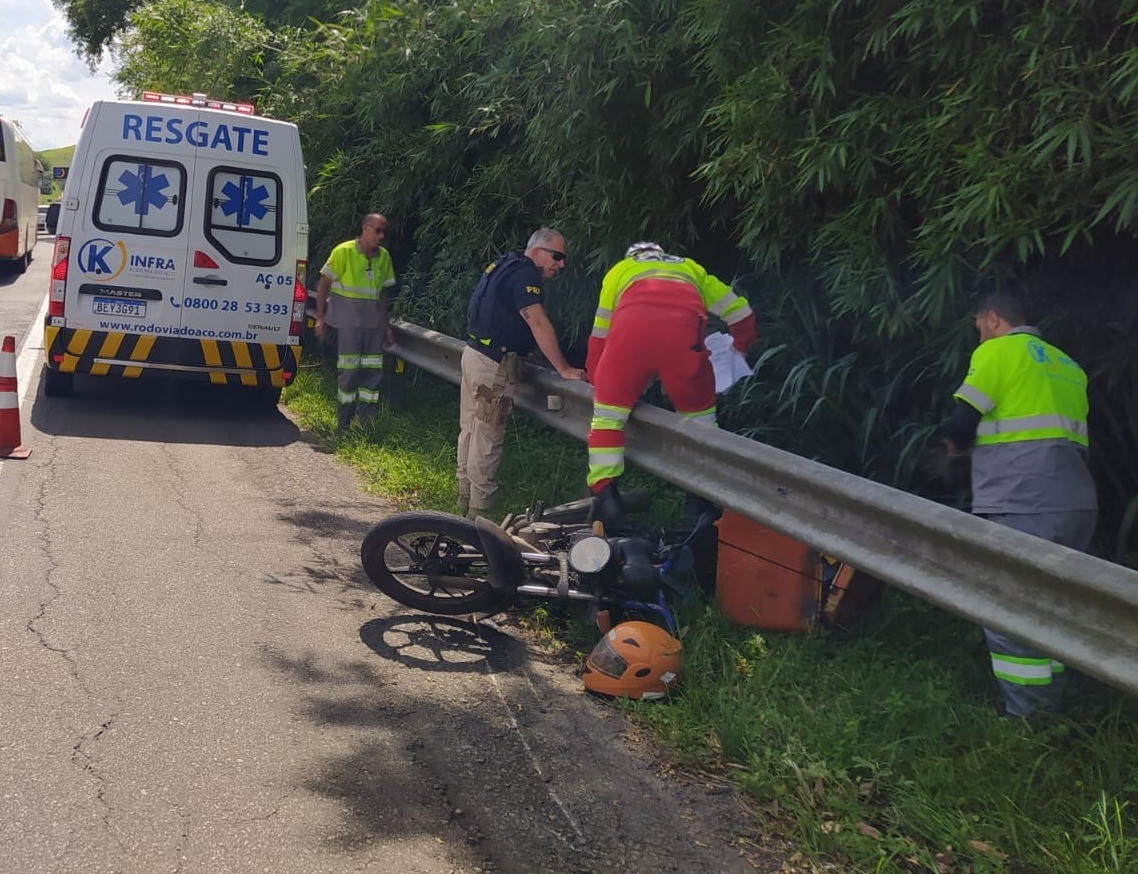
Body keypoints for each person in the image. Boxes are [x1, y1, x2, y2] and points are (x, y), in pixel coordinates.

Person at [943, 290, 1097, 719]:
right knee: (1054, 608)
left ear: (992, 319)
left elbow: (963, 423)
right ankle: (1051, 703)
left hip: (1021, 502)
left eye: (978, 329)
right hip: (1075, 503)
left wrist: (951, 453)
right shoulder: (1068, 365)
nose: (979, 338)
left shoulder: (998, 353)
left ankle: (1028, 720)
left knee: (1010, 609)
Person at [585, 242, 757, 523]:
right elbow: (741, 313)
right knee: (701, 422)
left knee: (607, 420)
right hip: (683, 343)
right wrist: (741, 346)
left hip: (629, 343)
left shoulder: (620, 271)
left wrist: (599, 380)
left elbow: (600, 333)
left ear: (633, 256)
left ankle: (606, 496)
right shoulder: (691, 269)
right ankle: (700, 498)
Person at [457, 228, 586, 518]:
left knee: (470, 431)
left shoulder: (505, 264)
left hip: (474, 353)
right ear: (538, 251)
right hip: (494, 366)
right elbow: (537, 322)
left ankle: (462, 504)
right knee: (487, 439)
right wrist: (563, 369)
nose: (561, 264)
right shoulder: (526, 275)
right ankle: (480, 516)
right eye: (557, 256)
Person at [315, 213, 397, 431]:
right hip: (347, 325)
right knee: (349, 374)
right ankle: (343, 424)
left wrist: (386, 325)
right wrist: (320, 317)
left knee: (372, 377)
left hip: (373, 328)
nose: (381, 236)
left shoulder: (384, 257)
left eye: (384, 232)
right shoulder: (343, 252)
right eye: (377, 230)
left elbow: (382, 295)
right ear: (365, 228)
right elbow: (323, 284)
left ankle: (365, 425)